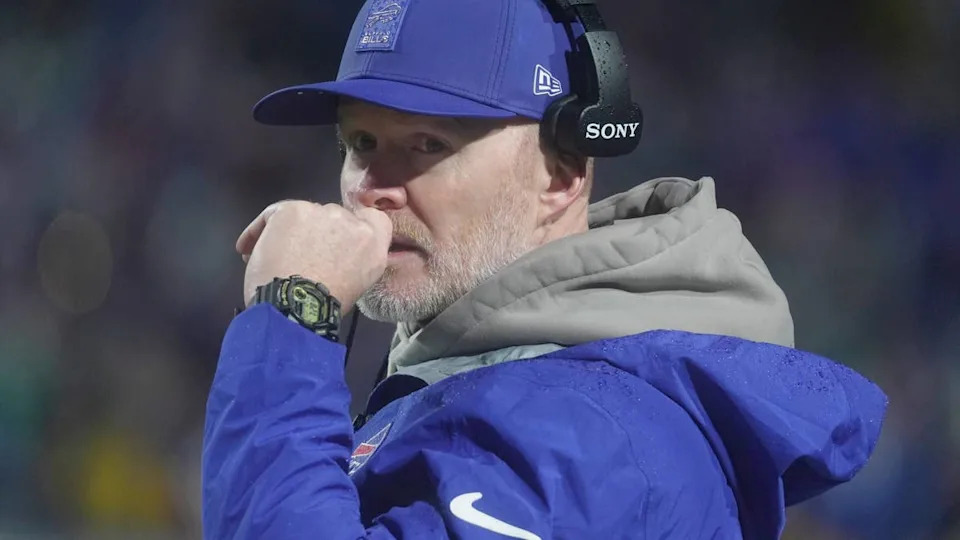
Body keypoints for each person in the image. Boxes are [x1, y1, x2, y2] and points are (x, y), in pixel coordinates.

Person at [202, 0, 887, 538]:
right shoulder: (501, 384)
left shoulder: (596, 433)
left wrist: (294, 321)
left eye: (425, 143)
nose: (372, 187)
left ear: (560, 176)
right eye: (361, 142)